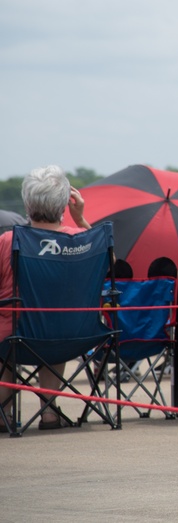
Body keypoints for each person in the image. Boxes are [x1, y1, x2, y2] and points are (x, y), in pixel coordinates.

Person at [1, 165, 91, 430]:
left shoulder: (8, 240)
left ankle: (2, 412)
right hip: (71, 334)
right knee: (52, 323)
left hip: (14, 337)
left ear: (27, 203)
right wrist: (82, 220)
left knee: (9, 332)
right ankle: (49, 412)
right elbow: (110, 268)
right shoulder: (83, 240)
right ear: (65, 202)